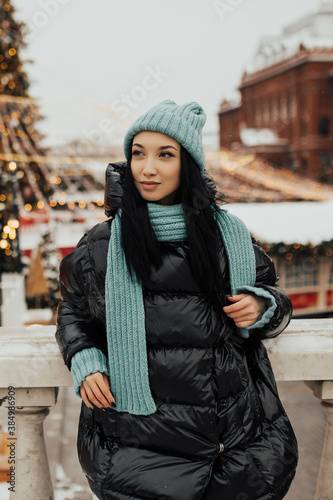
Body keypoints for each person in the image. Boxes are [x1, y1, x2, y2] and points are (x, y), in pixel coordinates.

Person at [56, 100, 298, 500]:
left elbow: (274, 295)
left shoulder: (228, 238)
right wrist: (84, 357)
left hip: (231, 443)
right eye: (138, 153)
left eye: (165, 155)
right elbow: (73, 310)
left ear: (186, 163)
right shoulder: (102, 244)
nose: (147, 168)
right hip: (138, 447)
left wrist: (263, 306)